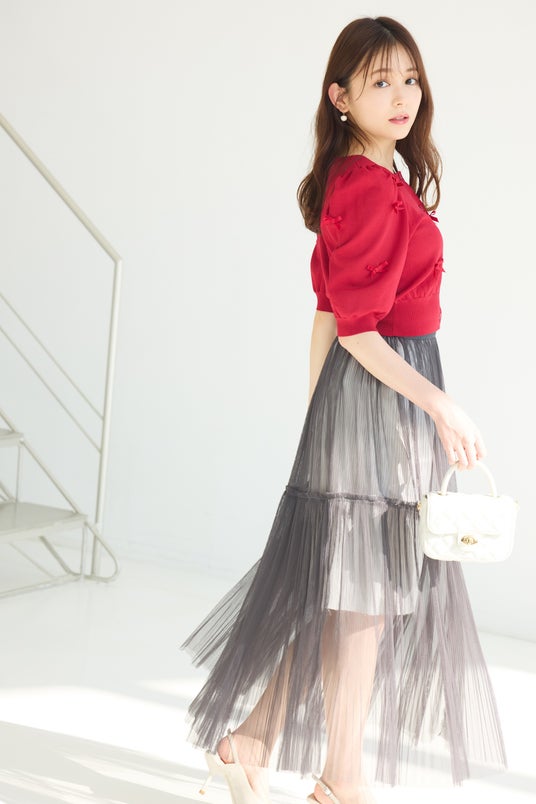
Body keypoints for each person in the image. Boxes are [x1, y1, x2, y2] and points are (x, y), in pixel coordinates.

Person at [182, 15, 507, 804]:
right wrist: (441, 406)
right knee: (365, 595)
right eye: (379, 82)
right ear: (340, 97)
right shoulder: (366, 187)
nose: (402, 96)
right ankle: (340, 779)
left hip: (368, 400)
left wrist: (321, 421)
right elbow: (357, 329)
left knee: (358, 591)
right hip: (384, 390)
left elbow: (326, 318)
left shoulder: (371, 179)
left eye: (409, 79)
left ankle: (254, 741)